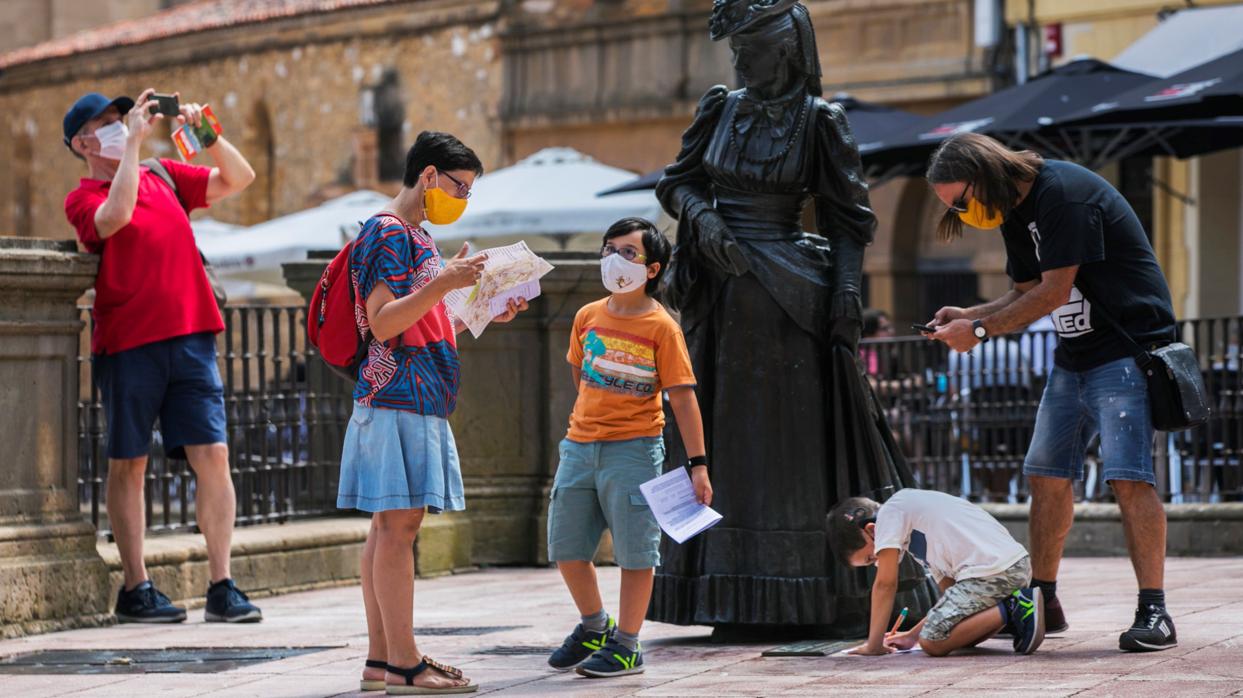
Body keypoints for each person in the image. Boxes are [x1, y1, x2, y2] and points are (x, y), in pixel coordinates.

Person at [649, 0, 935, 636]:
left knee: (791, 448)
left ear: (785, 51)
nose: (739, 61)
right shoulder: (721, 106)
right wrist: (706, 219)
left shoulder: (820, 122)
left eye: (749, 50)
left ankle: (814, 592)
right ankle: (725, 596)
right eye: (735, 51)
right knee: (724, 443)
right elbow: (677, 183)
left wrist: (846, 296)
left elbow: (849, 221)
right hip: (722, 302)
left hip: (790, 300)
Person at [923, 132, 1179, 652]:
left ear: (984, 173)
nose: (964, 215)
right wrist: (969, 314)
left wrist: (978, 333)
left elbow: (1055, 291)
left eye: (962, 203)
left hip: (1125, 351)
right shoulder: (1013, 210)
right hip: (1074, 356)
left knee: (1128, 479)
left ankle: (1155, 612)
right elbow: (1023, 291)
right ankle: (1044, 601)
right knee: (1045, 475)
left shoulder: (1063, 194)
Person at [340, 131, 528, 695]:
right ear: (428, 177)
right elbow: (383, 321)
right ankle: (404, 662)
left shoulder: (414, 236)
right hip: (400, 398)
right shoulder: (389, 231)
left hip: (405, 396)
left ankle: (383, 660)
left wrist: (487, 306)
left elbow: (423, 319)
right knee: (399, 528)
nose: (463, 200)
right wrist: (445, 279)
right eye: (458, 187)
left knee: (388, 528)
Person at [63, 89, 260, 624]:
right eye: (105, 123)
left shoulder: (165, 176)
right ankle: (136, 587)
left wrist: (207, 135)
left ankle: (222, 584)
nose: (118, 125)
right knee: (129, 463)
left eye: (120, 119)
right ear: (82, 143)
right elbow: (115, 215)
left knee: (213, 455)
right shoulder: (82, 198)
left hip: (193, 336)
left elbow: (239, 179)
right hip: (128, 344)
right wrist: (130, 147)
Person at [546, 217, 713, 678]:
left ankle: (627, 644)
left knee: (637, 552)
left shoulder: (663, 327)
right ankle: (595, 625)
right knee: (566, 546)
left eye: (628, 252)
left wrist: (698, 465)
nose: (614, 259)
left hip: (635, 450)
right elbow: (580, 375)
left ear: (653, 268)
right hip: (579, 447)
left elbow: (683, 396)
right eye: (608, 249)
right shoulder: (587, 316)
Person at [828, 490, 1045, 657]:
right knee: (960, 634)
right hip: (1013, 567)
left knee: (933, 642)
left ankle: (1015, 606)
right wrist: (911, 636)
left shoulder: (890, 514)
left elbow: (885, 585)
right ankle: (1013, 607)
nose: (877, 561)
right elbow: (951, 596)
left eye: (871, 557)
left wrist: (874, 645)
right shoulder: (917, 525)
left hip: (992, 573)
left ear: (871, 530)